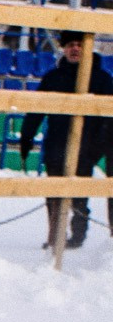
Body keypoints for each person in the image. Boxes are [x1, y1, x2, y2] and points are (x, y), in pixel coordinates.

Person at [18, 30, 113, 250]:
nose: (75, 49)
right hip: (56, 144)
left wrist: (96, 147)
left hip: (86, 146)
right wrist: (27, 136)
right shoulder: (53, 77)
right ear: (64, 48)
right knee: (54, 195)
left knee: (80, 196)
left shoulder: (101, 78)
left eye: (80, 45)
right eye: (70, 44)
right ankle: (55, 236)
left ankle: (78, 236)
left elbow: (109, 118)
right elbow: (36, 110)